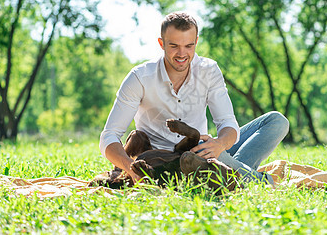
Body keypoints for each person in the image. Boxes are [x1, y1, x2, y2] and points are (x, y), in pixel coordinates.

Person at [99, 12, 289, 184]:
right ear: (161, 43)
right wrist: (130, 169)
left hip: (200, 151)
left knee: (277, 121)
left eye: (189, 46)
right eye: (174, 46)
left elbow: (227, 123)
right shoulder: (140, 77)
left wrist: (219, 144)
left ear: (196, 41)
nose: (182, 54)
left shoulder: (209, 70)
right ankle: (259, 181)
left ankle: (232, 171)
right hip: (167, 163)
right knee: (212, 156)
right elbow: (109, 135)